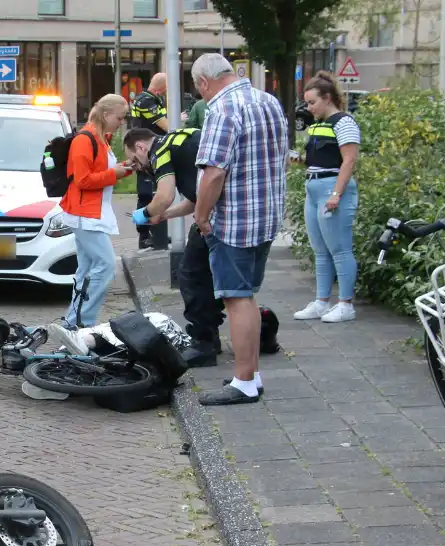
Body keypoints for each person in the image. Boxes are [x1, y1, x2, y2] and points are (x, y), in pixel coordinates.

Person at [123, 127, 282, 367]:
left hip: (216, 216)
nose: (140, 166)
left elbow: (164, 195)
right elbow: (195, 197)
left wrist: (144, 215)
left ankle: (204, 343)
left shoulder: (160, 149)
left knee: (193, 275)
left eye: (136, 160)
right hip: (228, 210)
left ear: (141, 147)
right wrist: (165, 215)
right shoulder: (184, 138)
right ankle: (263, 326)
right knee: (221, 281)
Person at [190, 52, 289, 406]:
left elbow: (214, 172)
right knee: (246, 293)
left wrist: (201, 217)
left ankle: (244, 381)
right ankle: (252, 372)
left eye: (197, 88)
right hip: (265, 216)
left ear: (204, 81)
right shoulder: (268, 101)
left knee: (236, 297)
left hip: (234, 220)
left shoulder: (223, 110)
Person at [51, 93, 135, 336]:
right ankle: (83, 321)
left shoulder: (99, 139)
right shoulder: (85, 140)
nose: (122, 122)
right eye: (120, 118)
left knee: (87, 269)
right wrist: (116, 173)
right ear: (106, 114)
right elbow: (83, 180)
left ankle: (73, 321)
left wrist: (124, 170)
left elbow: (101, 172)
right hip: (84, 214)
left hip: (89, 213)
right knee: (105, 266)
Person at [292, 71, 362, 324]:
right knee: (320, 251)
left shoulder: (344, 122)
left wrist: (336, 194)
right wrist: (298, 160)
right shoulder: (318, 125)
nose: (309, 108)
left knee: (340, 250)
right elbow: (318, 160)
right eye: (307, 103)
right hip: (314, 188)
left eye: (312, 102)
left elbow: (349, 159)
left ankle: (345, 304)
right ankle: (322, 302)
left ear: (328, 98)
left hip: (332, 188)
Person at [129, 73, 170, 251]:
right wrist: (177, 122)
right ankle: (145, 236)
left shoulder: (148, 98)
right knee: (147, 194)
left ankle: (155, 233)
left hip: (148, 149)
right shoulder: (146, 101)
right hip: (147, 152)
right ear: (162, 87)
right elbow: (166, 126)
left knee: (153, 191)